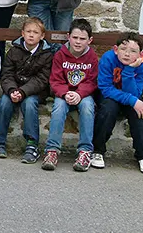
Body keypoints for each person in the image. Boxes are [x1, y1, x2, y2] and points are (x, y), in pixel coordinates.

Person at [0, 17, 54, 163]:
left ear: (42, 36)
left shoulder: (47, 55)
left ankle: (32, 145)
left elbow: (42, 80)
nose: (31, 35)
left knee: (29, 104)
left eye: (35, 32)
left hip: (35, 92)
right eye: (28, 31)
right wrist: (12, 90)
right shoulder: (14, 51)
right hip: (13, 88)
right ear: (22, 33)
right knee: (5, 103)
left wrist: (23, 92)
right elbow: (6, 74)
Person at [92, 32, 143, 174]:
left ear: (141, 54)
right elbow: (105, 88)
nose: (127, 54)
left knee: (138, 113)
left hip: (131, 94)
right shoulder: (108, 59)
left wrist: (130, 70)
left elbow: (134, 93)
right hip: (109, 94)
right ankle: (97, 150)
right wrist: (132, 100)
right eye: (123, 49)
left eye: (133, 51)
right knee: (108, 110)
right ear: (115, 49)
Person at [42, 18, 99, 172]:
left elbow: (92, 81)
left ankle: (85, 151)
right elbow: (55, 79)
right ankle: (52, 151)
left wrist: (79, 94)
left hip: (83, 94)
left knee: (88, 107)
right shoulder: (61, 54)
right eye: (75, 38)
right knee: (58, 108)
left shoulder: (92, 57)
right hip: (64, 92)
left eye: (82, 39)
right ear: (68, 37)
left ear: (90, 40)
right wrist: (65, 93)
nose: (78, 42)